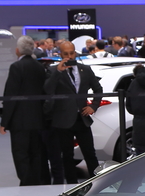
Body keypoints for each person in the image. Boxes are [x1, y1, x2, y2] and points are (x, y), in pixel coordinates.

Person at [43, 40, 104, 182]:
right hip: (63, 120)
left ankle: (98, 183)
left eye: (71, 53)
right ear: (60, 54)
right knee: (67, 155)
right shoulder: (53, 70)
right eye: (66, 54)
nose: (69, 56)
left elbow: (98, 89)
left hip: (82, 118)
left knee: (90, 153)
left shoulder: (85, 70)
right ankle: (72, 185)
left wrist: (94, 106)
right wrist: (58, 71)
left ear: (75, 53)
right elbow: (48, 90)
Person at [0, 35, 50, 186]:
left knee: (20, 153)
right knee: (36, 152)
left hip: (19, 120)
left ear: (18, 50)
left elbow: (11, 95)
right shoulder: (39, 67)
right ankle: (36, 181)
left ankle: (26, 182)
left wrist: (4, 121)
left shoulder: (16, 67)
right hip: (38, 118)